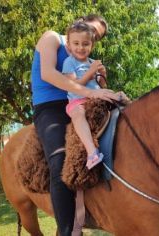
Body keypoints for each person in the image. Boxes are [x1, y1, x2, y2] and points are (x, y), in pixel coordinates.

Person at [31, 14, 127, 236]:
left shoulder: (85, 55)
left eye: (96, 37)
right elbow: (48, 73)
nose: (92, 36)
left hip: (83, 99)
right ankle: (67, 231)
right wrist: (91, 91)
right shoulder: (52, 38)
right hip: (50, 106)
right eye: (92, 28)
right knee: (59, 160)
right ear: (81, 21)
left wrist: (102, 80)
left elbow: (92, 84)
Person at [62, 21, 106, 170]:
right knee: (78, 115)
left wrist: (102, 76)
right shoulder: (69, 62)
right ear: (69, 45)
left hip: (95, 98)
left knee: (118, 96)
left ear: (91, 46)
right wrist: (91, 71)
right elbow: (75, 86)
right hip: (78, 101)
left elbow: (101, 86)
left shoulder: (93, 62)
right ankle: (91, 152)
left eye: (85, 44)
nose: (81, 48)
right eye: (76, 43)